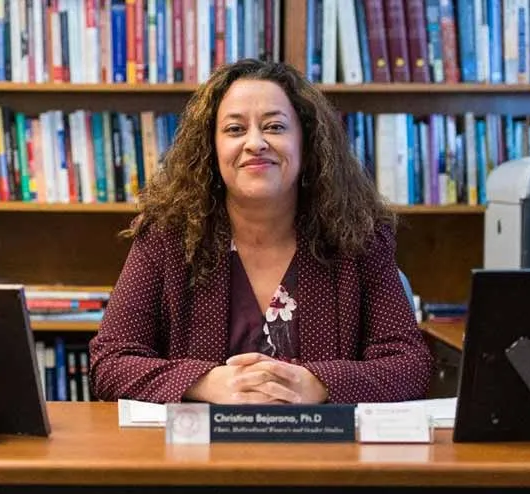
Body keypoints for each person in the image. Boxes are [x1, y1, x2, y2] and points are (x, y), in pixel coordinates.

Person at [88, 59, 432, 405]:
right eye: (235, 130)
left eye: (275, 127)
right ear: (212, 149)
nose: (256, 143)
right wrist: (206, 383)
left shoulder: (359, 240)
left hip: (325, 454)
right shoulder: (167, 239)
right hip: (197, 456)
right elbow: (110, 362)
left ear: (307, 142)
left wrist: (318, 384)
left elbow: (410, 365)